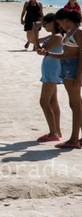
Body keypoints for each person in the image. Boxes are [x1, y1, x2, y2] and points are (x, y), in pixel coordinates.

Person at [38, 9, 82, 149]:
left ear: (65, 20)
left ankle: (74, 140)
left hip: (73, 69)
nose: (60, 26)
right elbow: (64, 55)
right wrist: (48, 53)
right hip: (67, 66)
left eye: (59, 23)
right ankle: (77, 138)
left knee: (75, 104)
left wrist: (79, 75)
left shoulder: (79, 32)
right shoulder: (71, 32)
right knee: (75, 104)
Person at [35, 13, 63, 143]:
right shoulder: (53, 36)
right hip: (50, 69)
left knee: (44, 102)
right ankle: (57, 130)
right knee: (53, 102)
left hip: (52, 70)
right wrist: (34, 32)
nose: (45, 26)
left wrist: (35, 32)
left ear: (53, 23)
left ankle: (53, 133)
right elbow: (33, 41)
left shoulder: (57, 36)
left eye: (46, 24)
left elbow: (40, 50)